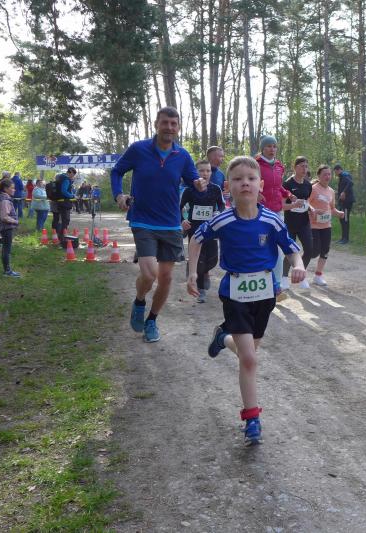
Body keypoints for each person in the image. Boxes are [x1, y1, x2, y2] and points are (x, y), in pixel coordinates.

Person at [187, 156, 305, 446]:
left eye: (251, 179)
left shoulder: (271, 219)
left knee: (247, 353)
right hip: (235, 295)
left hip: (265, 295)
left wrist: (299, 264)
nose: (245, 183)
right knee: (250, 359)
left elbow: (291, 247)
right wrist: (192, 273)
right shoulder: (223, 220)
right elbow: (196, 238)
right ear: (228, 186)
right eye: (238, 179)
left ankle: (222, 337)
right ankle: (252, 418)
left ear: (260, 185)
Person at [111, 106, 202, 343]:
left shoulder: (182, 155)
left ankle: (152, 320)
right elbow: (117, 171)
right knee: (150, 274)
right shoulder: (139, 149)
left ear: (178, 127)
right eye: (165, 123)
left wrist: (199, 184)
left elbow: (193, 180)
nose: (169, 127)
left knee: (166, 277)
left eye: (174, 124)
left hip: (171, 222)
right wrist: (119, 195)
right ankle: (140, 301)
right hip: (142, 219)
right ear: (156, 124)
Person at [180, 159, 225, 303]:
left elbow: (222, 205)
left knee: (212, 259)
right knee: (198, 258)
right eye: (201, 171)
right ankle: (201, 289)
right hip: (194, 228)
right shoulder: (189, 190)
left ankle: (204, 271)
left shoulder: (215, 189)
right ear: (196, 172)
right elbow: (178, 207)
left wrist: (218, 213)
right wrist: (182, 220)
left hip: (210, 228)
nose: (205, 173)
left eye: (208, 170)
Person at [255, 135, 292, 293]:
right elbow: (249, 181)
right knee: (261, 245)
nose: (272, 149)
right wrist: (256, 193)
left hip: (277, 211)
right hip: (260, 211)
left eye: (274, 146)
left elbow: (278, 186)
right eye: (269, 146)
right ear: (262, 148)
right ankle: (258, 280)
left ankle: (276, 284)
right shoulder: (255, 164)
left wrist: (288, 194)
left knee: (278, 247)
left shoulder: (279, 165)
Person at [307, 165, 345, 287]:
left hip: (326, 225)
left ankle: (318, 276)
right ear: (319, 176)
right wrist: (313, 210)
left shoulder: (331, 191)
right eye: (325, 174)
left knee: (325, 251)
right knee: (314, 252)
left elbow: (332, 208)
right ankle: (300, 266)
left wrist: (339, 213)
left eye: (329, 174)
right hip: (313, 225)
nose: (327, 176)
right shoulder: (313, 189)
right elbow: (305, 204)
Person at [280, 156, 314, 292]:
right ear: (295, 167)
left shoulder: (308, 185)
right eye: (302, 166)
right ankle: (284, 277)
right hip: (290, 223)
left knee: (310, 250)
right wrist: (294, 205)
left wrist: (311, 209)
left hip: (304, 222)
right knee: (290, 251)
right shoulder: (287, 184)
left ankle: (301, 274)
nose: (304, 169)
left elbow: (306, 202)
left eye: (306, 166)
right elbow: (282, 206)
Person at [0, 178, 20, 278]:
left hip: (5, 227)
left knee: (6, 249)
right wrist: (15, 221)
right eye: (12, 188)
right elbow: (4, 217)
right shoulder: (5, 201)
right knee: (7, 250)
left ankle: (7, 270)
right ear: (5, 189)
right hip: (6, 228)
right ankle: (7, 271)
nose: (14, 190)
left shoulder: (5, 199)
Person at [50, 167, 77, 247]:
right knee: (65, 220)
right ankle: (62, 239)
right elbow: (64, 191)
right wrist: (72, 196)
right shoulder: (66, 180)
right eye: (73, 174)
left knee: (62, 220)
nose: (73, 176)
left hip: (60, 202)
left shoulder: (61, 178)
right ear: (70, 172)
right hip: (64, 203)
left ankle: (60, 237)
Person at [333, 164, 354, 244]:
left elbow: (351, 183)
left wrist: (344, 192)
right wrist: (338, 193)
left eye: (335, 172)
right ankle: (343, 238)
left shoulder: (345, 175)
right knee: (342, 218)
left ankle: (346, 239)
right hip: (342, 202)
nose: (335, 174)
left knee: (345, 219)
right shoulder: (341, 177)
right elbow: (344, 187)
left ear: (339, 170)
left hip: (347, 202)